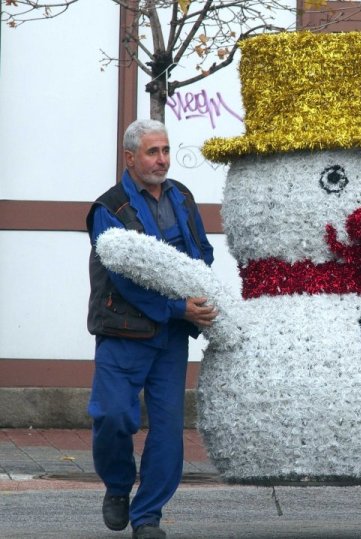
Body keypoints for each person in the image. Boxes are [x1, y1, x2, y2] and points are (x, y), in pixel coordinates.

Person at [86, 119, 217, 539]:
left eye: (165, 151)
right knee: (110, 418)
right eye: (152, 152)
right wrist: (179, 307)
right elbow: (125, 282)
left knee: (167, 432)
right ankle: (119, 486)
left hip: (171, 336)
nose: (162, 160)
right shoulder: (108, 209)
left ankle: (148, 517)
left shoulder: (182, 196)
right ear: (130, 158)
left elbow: (201, 253)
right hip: (123, 330)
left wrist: (201, 293)